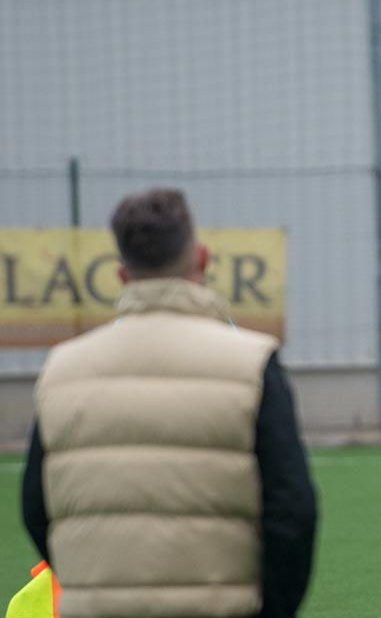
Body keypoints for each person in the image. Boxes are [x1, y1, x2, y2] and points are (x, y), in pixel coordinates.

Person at [21, 189, 317, 618]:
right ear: (202, 259)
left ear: (122, 275)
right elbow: (292, 509)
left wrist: (93, 586)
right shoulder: (252, 363)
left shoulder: (62, 370)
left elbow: (36, 508)